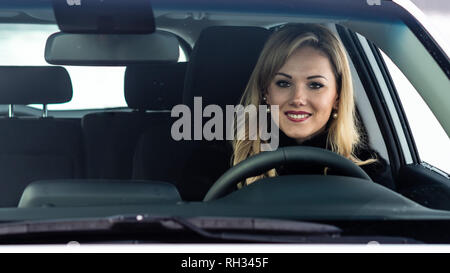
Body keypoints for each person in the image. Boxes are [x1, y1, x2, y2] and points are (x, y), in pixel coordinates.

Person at [232, 23, 394, 189]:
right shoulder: (231, 163)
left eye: (315, 85)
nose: (298, 99)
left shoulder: (370, 172)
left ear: (338, 97)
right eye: (283, 83)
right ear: (266, 91)